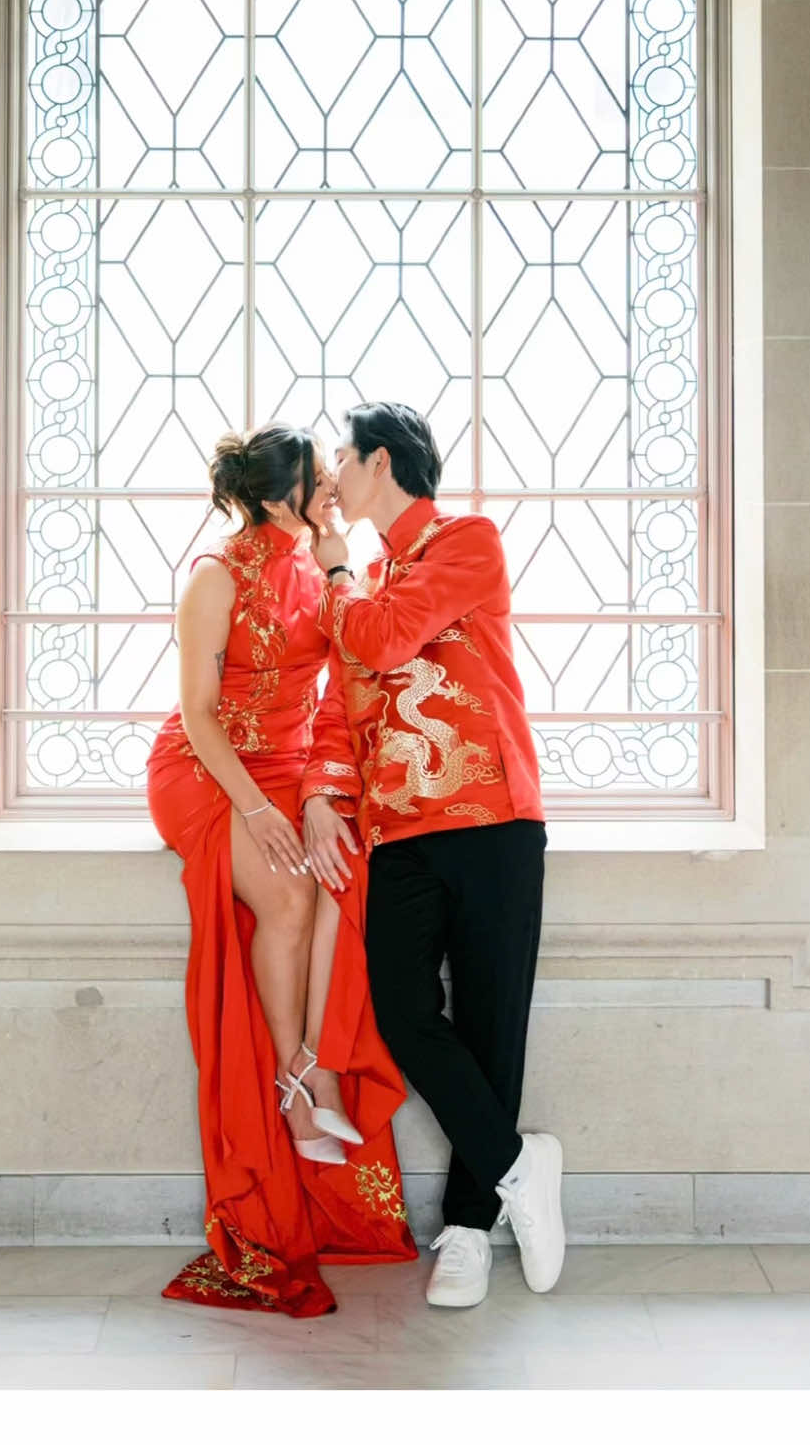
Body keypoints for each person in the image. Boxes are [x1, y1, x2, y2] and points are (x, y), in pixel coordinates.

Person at [146, 422, 418, 1319]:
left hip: (290, 769)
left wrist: (309, 794)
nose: (331, 484)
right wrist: (259, 810)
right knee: (291, 895)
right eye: (315, 477)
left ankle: (310, 1062)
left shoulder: (318, 565)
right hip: (207, 769)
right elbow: (197, 713)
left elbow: (350, 681)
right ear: (274, 496)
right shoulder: (215, 576)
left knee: (344, 870)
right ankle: (300, 1084)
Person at [300, 401, 564, 1309]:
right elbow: (339, 701)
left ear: (381, 462)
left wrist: (337, 569)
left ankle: (467, 1228)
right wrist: (317, 794)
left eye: (342, 457)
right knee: (405, 1012)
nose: (332, 476)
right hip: (399, 834)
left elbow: (380, 640)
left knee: (491, 1027)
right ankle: (520, 1165)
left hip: (492, 818)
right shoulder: (363, 582)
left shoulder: (465, 541)